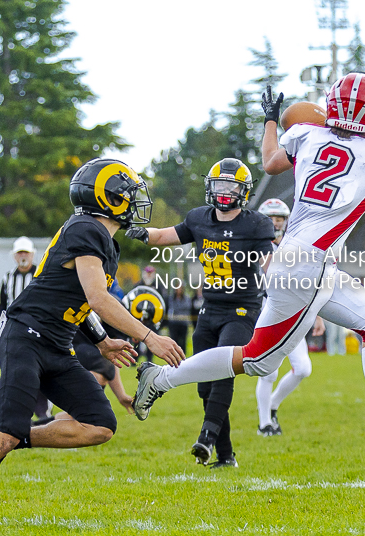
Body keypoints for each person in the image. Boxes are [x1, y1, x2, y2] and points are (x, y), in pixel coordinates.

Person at [131, 74, 365, 458]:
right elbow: (363, 154)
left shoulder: (306, 137)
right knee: (257, 360)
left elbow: (269, 162)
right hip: (308, 266)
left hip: (305, 263)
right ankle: (160, 379)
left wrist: (272, 120)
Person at [0, 158, 184, 526]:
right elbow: (98, 298)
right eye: (128, 194)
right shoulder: (87, 229)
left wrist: (100, 342)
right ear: (108, 198)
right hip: (26, 338)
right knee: (4, 437)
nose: (134, 201)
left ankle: (6, 439)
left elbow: (78, 301)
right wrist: (147, 336)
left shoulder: (100, 239)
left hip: (57, 343)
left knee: (100, 424)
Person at [126, 158, 274, 469]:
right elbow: (167, 235)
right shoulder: (199, 218)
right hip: (210, 309)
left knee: (222, 369)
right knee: (204, 384)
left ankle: (206, 438)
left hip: (242, 308)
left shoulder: (256, 224)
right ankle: (225, 455)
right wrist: (139, 232)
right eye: (219, 185)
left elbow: (268, 260)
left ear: (242, 191)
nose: (223, 191)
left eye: (230, 186)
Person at [253, 198, 325, 437]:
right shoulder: (255, 247)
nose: (275, 223)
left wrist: (316, 314)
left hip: (293, 315)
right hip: (266, 313)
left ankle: (272, 406)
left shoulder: (294, 246)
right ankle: (264, 424)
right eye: (271, 219)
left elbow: (307, 282)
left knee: (303, 368)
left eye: (280, 219)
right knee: (269, 371)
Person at [0, 237, 52, 421]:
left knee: (40, 372)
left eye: (26, 252)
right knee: (16, 373)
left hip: (39, 331)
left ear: (32, 255)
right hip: (15, 332)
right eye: (20, 252)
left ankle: (43, 411)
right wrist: (0, 333)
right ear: (14, 256)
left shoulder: (42, 274)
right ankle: (21, 413)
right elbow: (2, 308)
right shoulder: (7, 278)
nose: (23, 256)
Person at [134, 266, 159, 363]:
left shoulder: (158, 286)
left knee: (151, 338)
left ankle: (149, 359)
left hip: (151, 318)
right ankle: (135, 358)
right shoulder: (138, 285)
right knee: (136, 338)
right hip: (138, 316)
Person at [166, 285, 193, 354]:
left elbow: (187, 307)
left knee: (183, 340)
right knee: (174, 340)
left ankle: (183, 354)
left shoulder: (186, 298)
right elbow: (171, 307)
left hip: (183, 323)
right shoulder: (171, 298)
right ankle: (174, 354)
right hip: (174, 323)